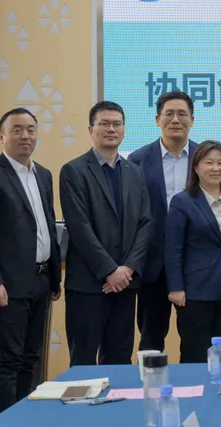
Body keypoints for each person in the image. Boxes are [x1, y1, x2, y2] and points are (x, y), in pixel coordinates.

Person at [0, 108, 61, 415]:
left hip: (40, 280)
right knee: (7, 359)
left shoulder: (43, 174)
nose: (25, 136)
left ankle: (25, 418)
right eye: (17, 130)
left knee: (31, 358)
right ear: (2, 136)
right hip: (6, 286)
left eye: (31, 130)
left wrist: (54, 279)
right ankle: (6, 420)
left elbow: (48, 227)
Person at [60, 101, 153, 366]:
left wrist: (127, 269)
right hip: (88, 285)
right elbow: (79, 226)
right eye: (104, 123)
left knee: (120, 359)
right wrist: (109, 271)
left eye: (117, 124)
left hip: (125, 285)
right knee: (83, 361)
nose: (111, 129)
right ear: (91, 130)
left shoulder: (135, 172)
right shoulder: (74, 170)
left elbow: (145, 223)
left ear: (124, 129)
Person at [128, 90, 198, 353]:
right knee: (150, 340)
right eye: (169, 114)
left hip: (194, 264)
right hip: (152, 266)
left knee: (195, 340)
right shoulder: (137, 160)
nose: (175, 120)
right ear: (158, 120)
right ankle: (150, 381)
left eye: (182, 114)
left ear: (192, 120)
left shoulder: (206, 157)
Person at [166, 141, 221, 363]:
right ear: (196, 167)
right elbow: (173, 248)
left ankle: (218, 384)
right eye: (209, 163)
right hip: (194, 290)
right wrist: (176, 287)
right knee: (195, 353)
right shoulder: (182, 201)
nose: (216, 168)